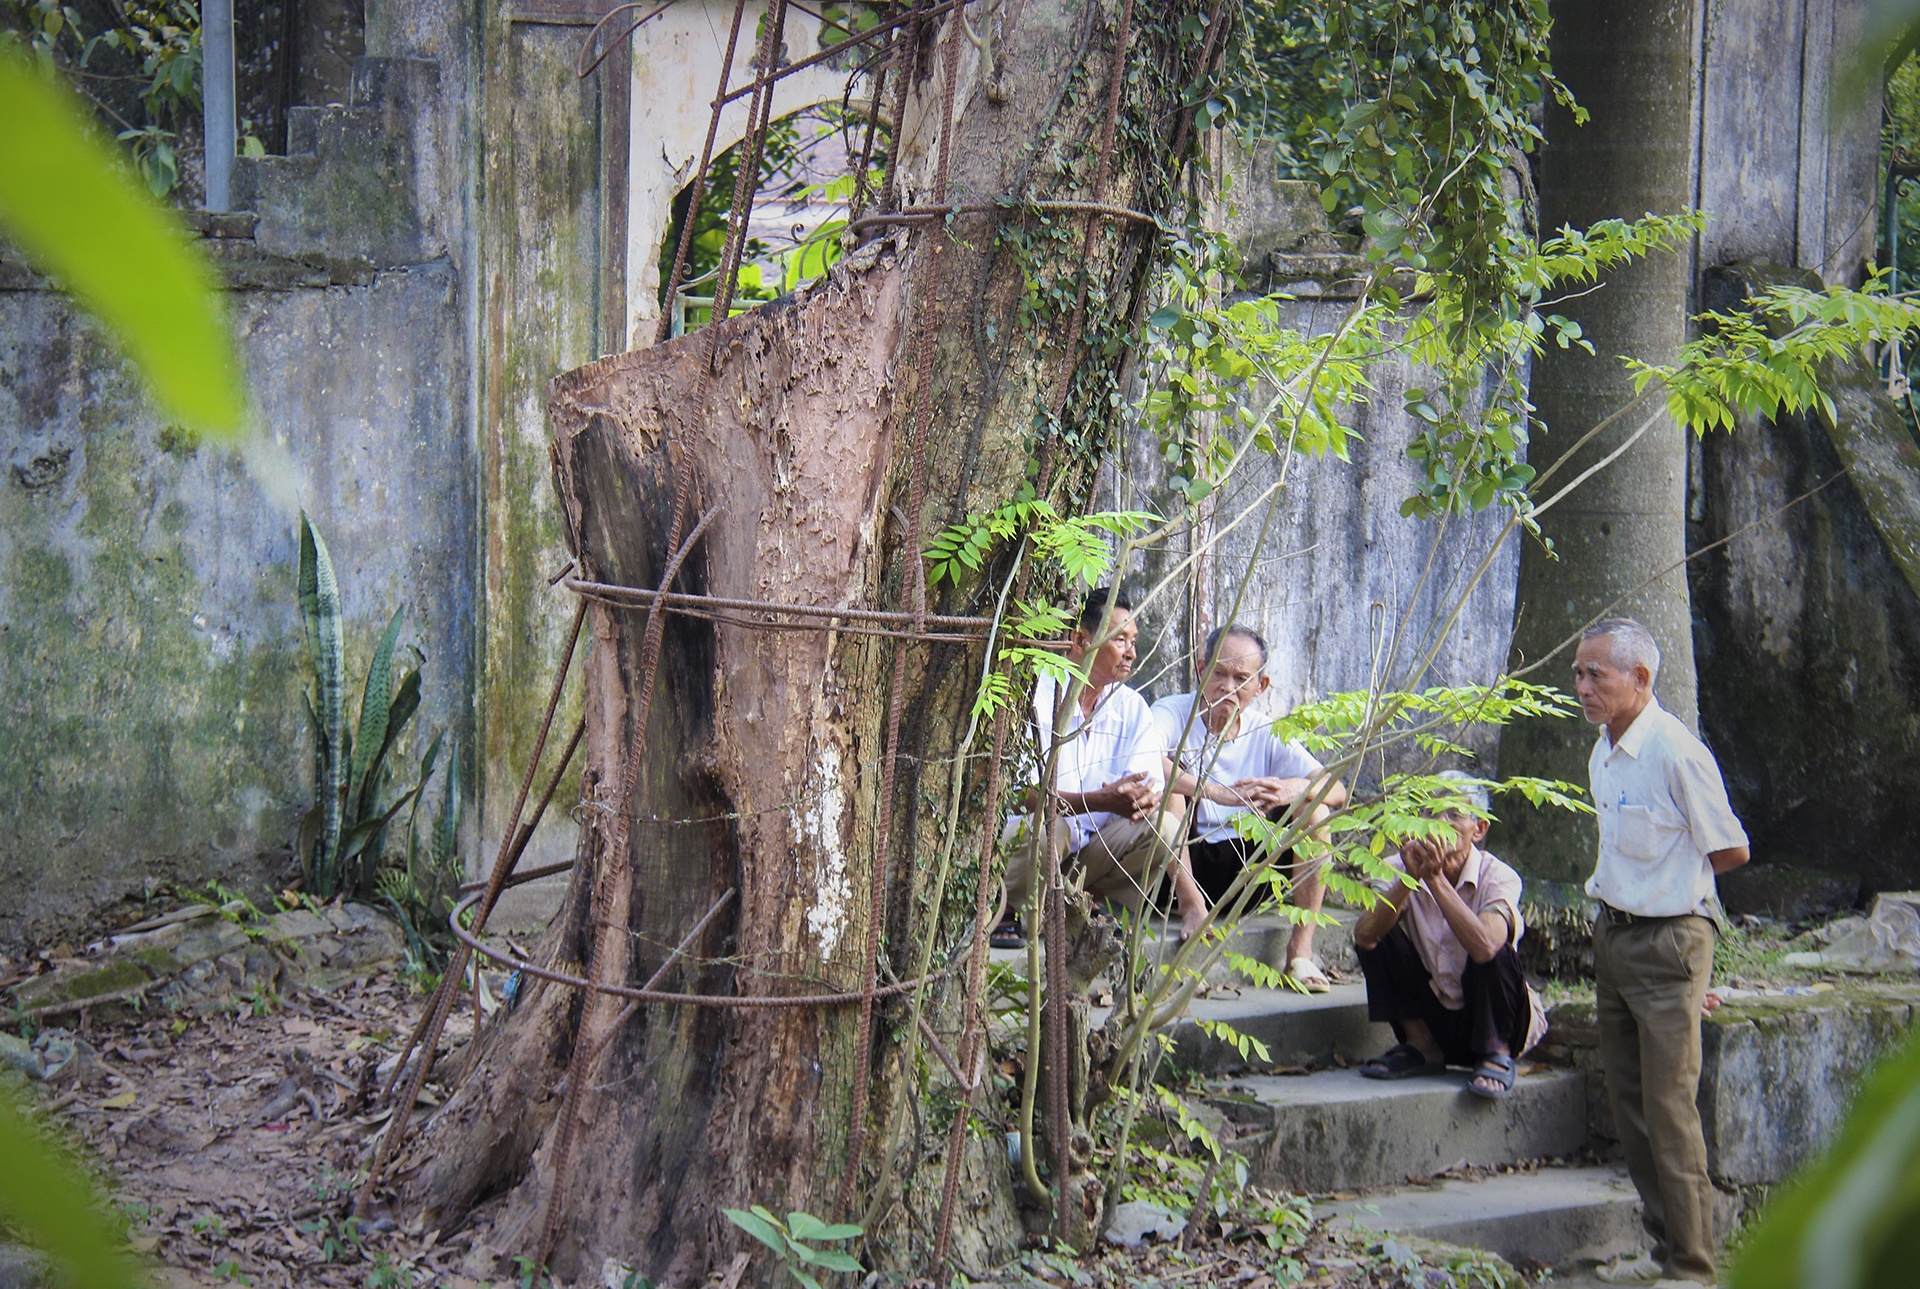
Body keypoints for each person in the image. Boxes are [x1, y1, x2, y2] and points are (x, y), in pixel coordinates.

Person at [1574, 619, 1748, 1288]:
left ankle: (1693, 1264)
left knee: (1671, 1107)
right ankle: (1663, 1245)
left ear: (1640, 679)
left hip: (1671, 937)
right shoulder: (1604, 749)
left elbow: (1730, 848)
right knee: (1630, 1102)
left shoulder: (1676, 752)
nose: (1583, 687)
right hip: (1615, 934)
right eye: (1579, 674)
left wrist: (1680, 909)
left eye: (1597, 674)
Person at [991, 588, 1208, 949]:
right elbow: (1018, 795)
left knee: (1164, 824)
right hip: (1033, 851)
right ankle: (1012, 910)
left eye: (1134, 640)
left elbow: (1144, 788)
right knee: (1052, 827)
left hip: (1088, 856)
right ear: (1080, 640)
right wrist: (1101, 800)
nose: (1132, 652)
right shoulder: (1036, 694)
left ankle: (1077, 904)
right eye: (1120, 639)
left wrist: (1136, 798)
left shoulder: (1132, 707)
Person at [1151, 625, 1349, 990]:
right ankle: (1192, 906)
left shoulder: (1268, 731)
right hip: (1183, 867)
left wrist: (1294, 787)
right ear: (1200, 669)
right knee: (1169, 789)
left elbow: (1337, 790)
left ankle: (1301, 951)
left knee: (1316, 809)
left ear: (1262, 685)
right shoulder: (1172, 712)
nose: (1228, 687)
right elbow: (1145, 760)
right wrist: (1217, 792)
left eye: (1242, 678)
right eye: (1219, 673)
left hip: (1248, 871)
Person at [1351, 773, 1547, 1099]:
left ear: (1479, 829)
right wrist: (1409, 881)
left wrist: (1435, 880)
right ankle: (1421, 1045)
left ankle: (1495, 1052)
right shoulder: (1398, 865)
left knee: (1494, 943)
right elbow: (1365, 936)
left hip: (1501, 1020)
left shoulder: (1499, 876)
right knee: (1376, 931)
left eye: (1453, 814)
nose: (1438, 823)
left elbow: (1485, 948)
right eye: (1430, 814)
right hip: (1437, 1017)